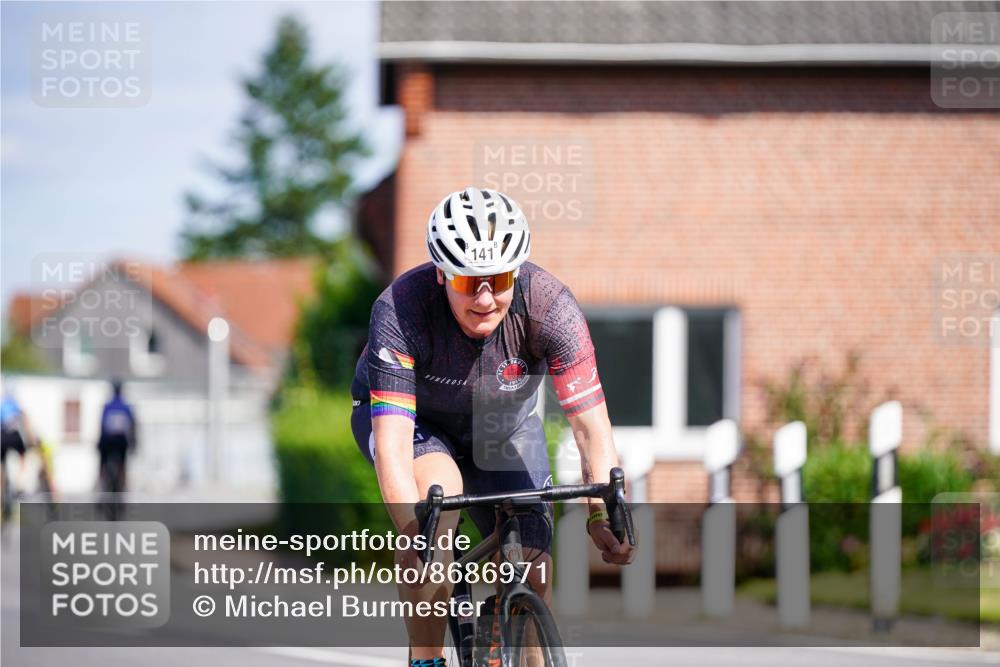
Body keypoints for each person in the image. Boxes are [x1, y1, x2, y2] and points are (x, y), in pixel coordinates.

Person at [350, 187, 634, 666]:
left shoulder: (551, 307)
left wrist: (603, 509)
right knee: (436, 517)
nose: (484, 298)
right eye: (467, 283)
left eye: (499, 279)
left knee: (534, 569)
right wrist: (412, 533)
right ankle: (426, 656)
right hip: (420, 424)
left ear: (518, 270)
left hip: (502, 423)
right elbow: (395, 448)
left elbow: (591, 428)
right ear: (441, 275)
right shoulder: (401, 310)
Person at [97, 378, 137, 494]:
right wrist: (134, 443)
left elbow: (102, 426)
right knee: (123, 465)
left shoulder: (107, 406)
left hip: (107, 441)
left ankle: (101, 486)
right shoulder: (126, 406)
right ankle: (123, 487)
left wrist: (99, 443)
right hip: (121, 441)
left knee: (103, 463)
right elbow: (132, 426)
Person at [1, 385, 34, 512]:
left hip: (2, 437)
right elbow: (25, 420)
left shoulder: (2, 404)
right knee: (23, 456)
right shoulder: (14, 403)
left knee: (2, 467)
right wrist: (30, 439)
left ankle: (2, 489)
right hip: (14, 436)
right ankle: (18, 484)